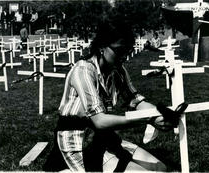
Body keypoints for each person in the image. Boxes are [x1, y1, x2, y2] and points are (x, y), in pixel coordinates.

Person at [43, 19, 183, 172]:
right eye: (120, 51)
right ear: (102, 46)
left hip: (102, 136)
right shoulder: (84, 70)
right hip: (78, 139)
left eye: (127, 51)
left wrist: (158, 114)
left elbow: (135, 100)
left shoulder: (117, 70)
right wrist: (147, 119)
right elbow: (100, 121)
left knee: (160, 168)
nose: (123, 56)